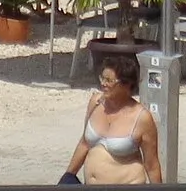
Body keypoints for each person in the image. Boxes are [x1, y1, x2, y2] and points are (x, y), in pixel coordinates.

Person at [63, 53, 163, 183]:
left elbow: (152, 165)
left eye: (109, 81)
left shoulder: (142, 118)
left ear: (127, 85)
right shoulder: (96, 102)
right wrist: (68, 177)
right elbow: (84, 143)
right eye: (102, 78)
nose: (103, 84)